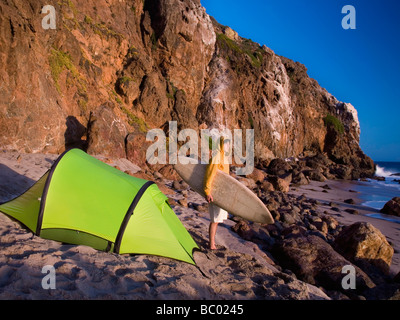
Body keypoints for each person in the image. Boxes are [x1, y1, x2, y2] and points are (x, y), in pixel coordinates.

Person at [203, 134, 231, 250]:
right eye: (225, 143)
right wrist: (207, 191)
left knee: (217, 220)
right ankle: (212, 244)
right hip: (214, 192)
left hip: (222, 192)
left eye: (228, 144)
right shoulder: (217, 156)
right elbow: (209, 174)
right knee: (214, 220)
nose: (227, 146)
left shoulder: (224, 157)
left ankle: (212, 243)